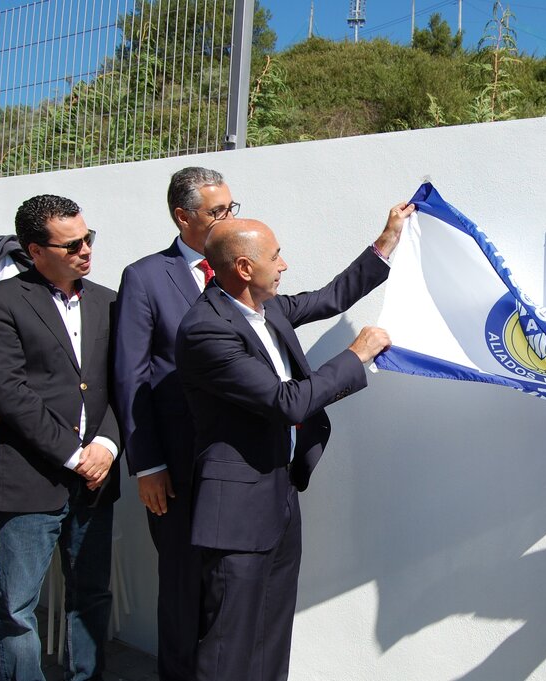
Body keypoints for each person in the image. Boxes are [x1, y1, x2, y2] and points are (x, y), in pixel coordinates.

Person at [175, 204, 414, 681]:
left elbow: (331, 297)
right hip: (236, 510)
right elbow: (286, 402)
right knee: (229, 643)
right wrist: (355, 355)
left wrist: (386, 240)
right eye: (276, 256)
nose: (283, 265)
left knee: (270, 632)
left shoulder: (268, 308)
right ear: (245, 267)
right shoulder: (206, 329)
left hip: (280, 493)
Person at [0, 194, 120, 681]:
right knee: (17, 609)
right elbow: (10, 391)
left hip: (97, 480)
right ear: (35, 251)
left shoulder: (108, 300)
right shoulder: (3, 300)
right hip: (31, 480)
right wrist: (73, 453)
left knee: (92, 596)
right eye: (71, 245)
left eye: (88, 238)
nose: (85, 251)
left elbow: (124, 383)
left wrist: (106, 445)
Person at [112, 166, 237, 680]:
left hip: (234, 465)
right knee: (183, 592)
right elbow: (130, 377)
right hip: (177, 471)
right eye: (217, 212)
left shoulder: (237, 267)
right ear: (183, 217)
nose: (230, 219)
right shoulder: (145, 277)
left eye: (232, 207)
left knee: (226, 593)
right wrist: (148, 466)